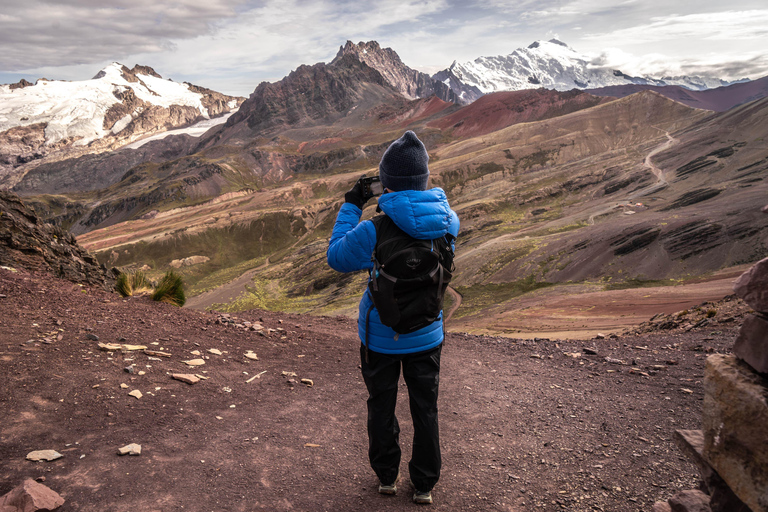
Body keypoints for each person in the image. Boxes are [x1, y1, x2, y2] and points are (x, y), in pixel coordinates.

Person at [326, 130, 460, 505]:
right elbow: (442, 223)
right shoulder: (448, 222)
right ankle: (424, 485)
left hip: (380, 335)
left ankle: (387, 477)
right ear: (424, 178)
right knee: (426, 408)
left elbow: (336, 256)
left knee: (381, 405)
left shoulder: (374, 229)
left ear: (385, 182)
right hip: (428, 332)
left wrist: (353, 204)